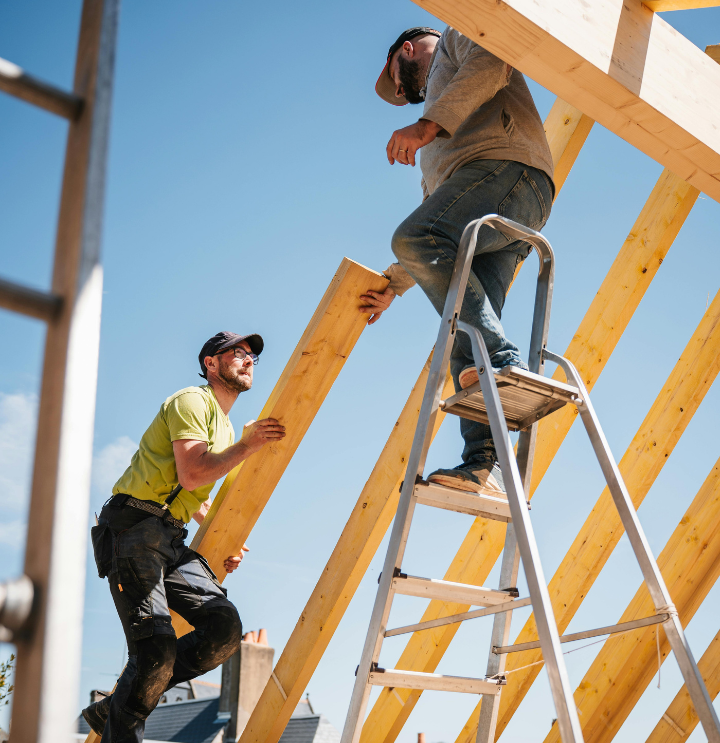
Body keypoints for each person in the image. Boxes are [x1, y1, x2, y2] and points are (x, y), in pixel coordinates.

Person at [360, 26, 555, 495]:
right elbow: (438, 231)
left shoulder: (458, 32)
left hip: (508, 171)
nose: (409, 96)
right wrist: (394, 285)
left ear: (404, 52)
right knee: (463, 331)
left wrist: (426, 127)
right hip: (491, 199)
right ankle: (484, 465)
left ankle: (504, 360)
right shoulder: (437, 125)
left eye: (401, 85)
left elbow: (492, 60)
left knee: (416, 239)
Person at [82, 331, 286, 742]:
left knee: (224, 629)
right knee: (155, 648)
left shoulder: (225, 430)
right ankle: (122, 720)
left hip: (170, 537)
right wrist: (248, 446)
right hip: (133, 526)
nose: (248, 360)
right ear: (211, 363)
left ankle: (115, 705)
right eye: (237, 353)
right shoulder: (192, 401)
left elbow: (193, 497)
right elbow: (192, 473)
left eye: (252, 356)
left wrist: (227, 541)